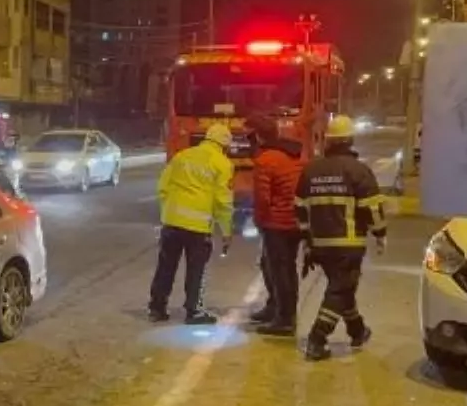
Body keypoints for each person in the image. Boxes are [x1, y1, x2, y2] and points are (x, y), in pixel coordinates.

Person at [294, 115, 387, 361]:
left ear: (328, 141)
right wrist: (380, 234)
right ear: (351, 140)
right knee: (339, 290)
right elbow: (373, 209)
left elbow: (300, 208)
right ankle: (317, 339)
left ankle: (357, 330)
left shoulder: (311, 170)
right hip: (349, 244)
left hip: (320, 245)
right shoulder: (358, 171)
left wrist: (306, 240)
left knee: (342, 287)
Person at [147, 124, 235, 325]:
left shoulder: (182, 156)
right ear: (225, 145)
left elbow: (163, 186)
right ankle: (194, 311)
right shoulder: (222, 164)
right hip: (198, 226)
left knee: (165, 266)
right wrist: (226, 230)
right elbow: (223, 201)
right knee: (197, 270)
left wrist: (169, 211)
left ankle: (157, 308)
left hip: (172, 222)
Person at [246, 115, 306, 336]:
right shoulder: (293, 153)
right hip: (296, 220)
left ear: (259, 136)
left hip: (278, 223)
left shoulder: (266, 159)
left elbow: (263, 197)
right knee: (275, 266)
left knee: (280, 270)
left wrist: (260, 220)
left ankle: (285, 318)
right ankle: (276, 307)